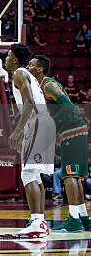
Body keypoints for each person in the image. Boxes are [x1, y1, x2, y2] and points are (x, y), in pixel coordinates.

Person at [27, 55, 90, 232]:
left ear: (39, 69)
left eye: (31, 64)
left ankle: (73, 219)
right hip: (74, 130)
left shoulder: (48, 85)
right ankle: (83, 217)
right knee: (74, 176)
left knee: (68, 175)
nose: (28, 66)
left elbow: (69, 107)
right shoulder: (42, 87)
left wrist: (50, 123)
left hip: (72, 130)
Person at [5, 44, 55, 238]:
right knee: (34, 174)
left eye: (8, 55)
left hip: (36, 122)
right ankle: (40, 221)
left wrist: (17, 131)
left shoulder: (19, 72)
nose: (6, 59)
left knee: (27, 174)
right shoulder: (28, 75)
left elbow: (29, 103)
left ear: (16, 59)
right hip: (44, 122)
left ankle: (36, 222)